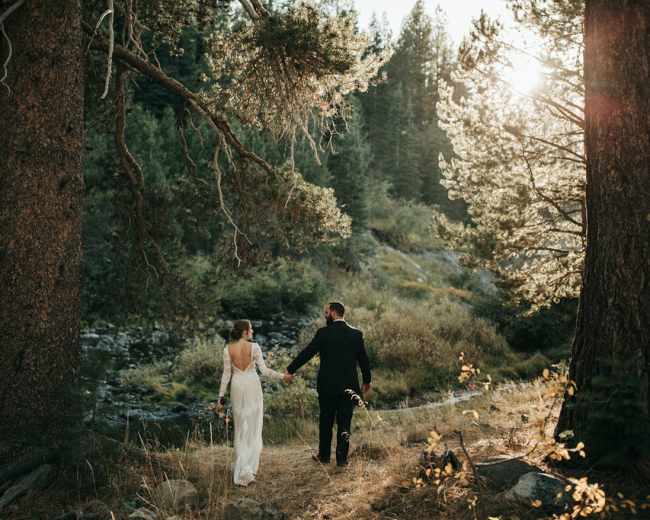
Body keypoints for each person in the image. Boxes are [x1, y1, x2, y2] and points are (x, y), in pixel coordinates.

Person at [284, 302, 371, 467]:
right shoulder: (356, 334)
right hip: (349, 386)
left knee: (326, 421)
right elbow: (363, 360)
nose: (325, 316)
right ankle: (342, 459)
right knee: (345, 422)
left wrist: (290, 369)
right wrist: (367, 381)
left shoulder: (323, 333)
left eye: (326, 312)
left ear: (333, 312)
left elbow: (307, 353)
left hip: (327, 387)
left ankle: (324, 456)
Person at [217, 319, 284, 486]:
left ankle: (242, 468)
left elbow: (226, 375)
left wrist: (220, 397)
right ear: (245, 331)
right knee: (253, 426)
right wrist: (283, 377)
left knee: (241, 427)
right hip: (252, 385)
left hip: (237, 386)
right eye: (251, 329)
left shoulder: (227, 349)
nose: (252, 331)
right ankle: (247, 469)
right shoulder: (254, 347)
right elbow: (265, 371)